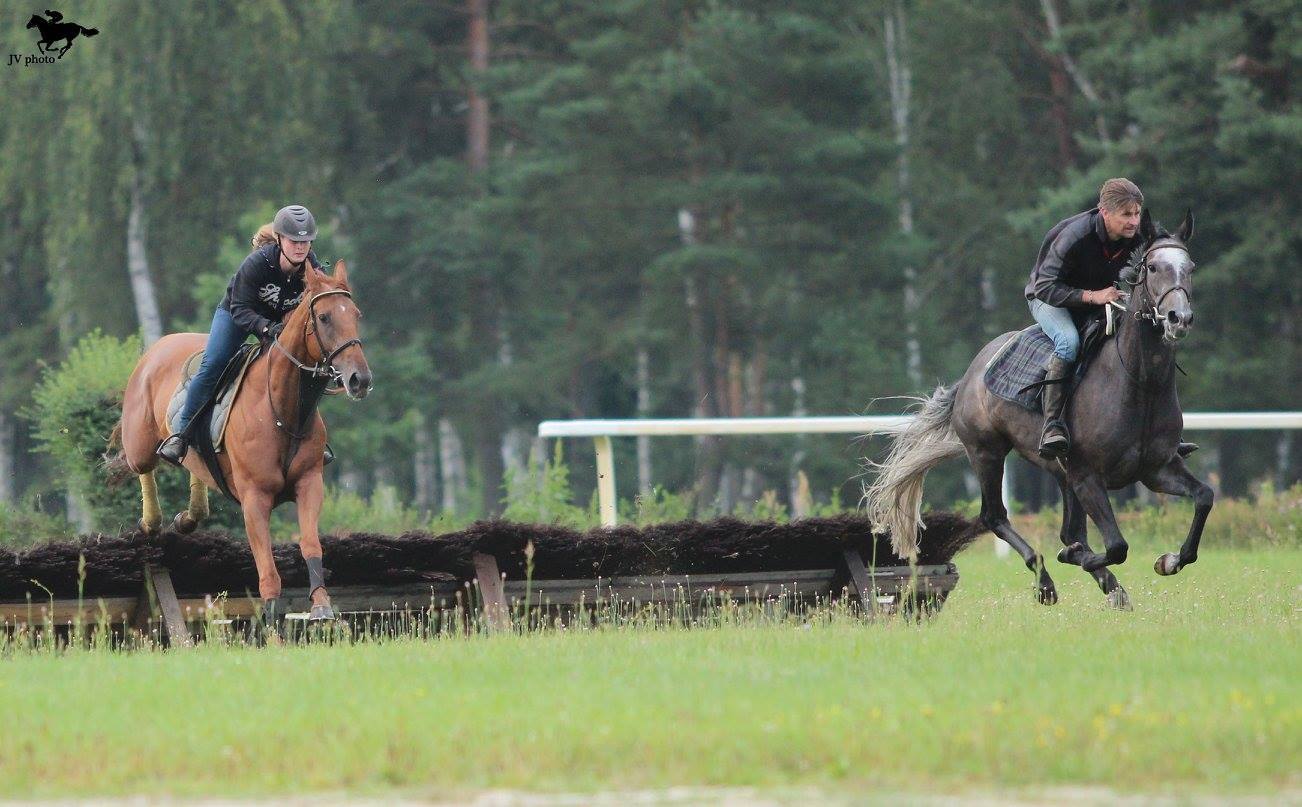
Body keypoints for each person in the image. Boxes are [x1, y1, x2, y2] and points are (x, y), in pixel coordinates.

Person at [156, 205, 322, 466]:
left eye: (306, 241)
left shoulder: (311, 265)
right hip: (237, 316)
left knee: (301, 369)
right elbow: (240, 308)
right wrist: (267, 328)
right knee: (214, 364)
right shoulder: (258, 263)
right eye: (294, 240)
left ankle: (308, 439)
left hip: (278, 319)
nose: (300, 247)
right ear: (279, 239)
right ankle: (181, 434)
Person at [1024, 178, 1141, 458]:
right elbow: (1045, 287)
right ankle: (1052, 425)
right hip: (1048, 299)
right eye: (1126, 214)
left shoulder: (1137, 233)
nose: (1134, 222)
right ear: (1105, 212)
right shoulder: (1074, 236)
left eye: (1137, 213)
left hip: (1097, 296)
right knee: (1068, 342)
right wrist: (1093, 296)